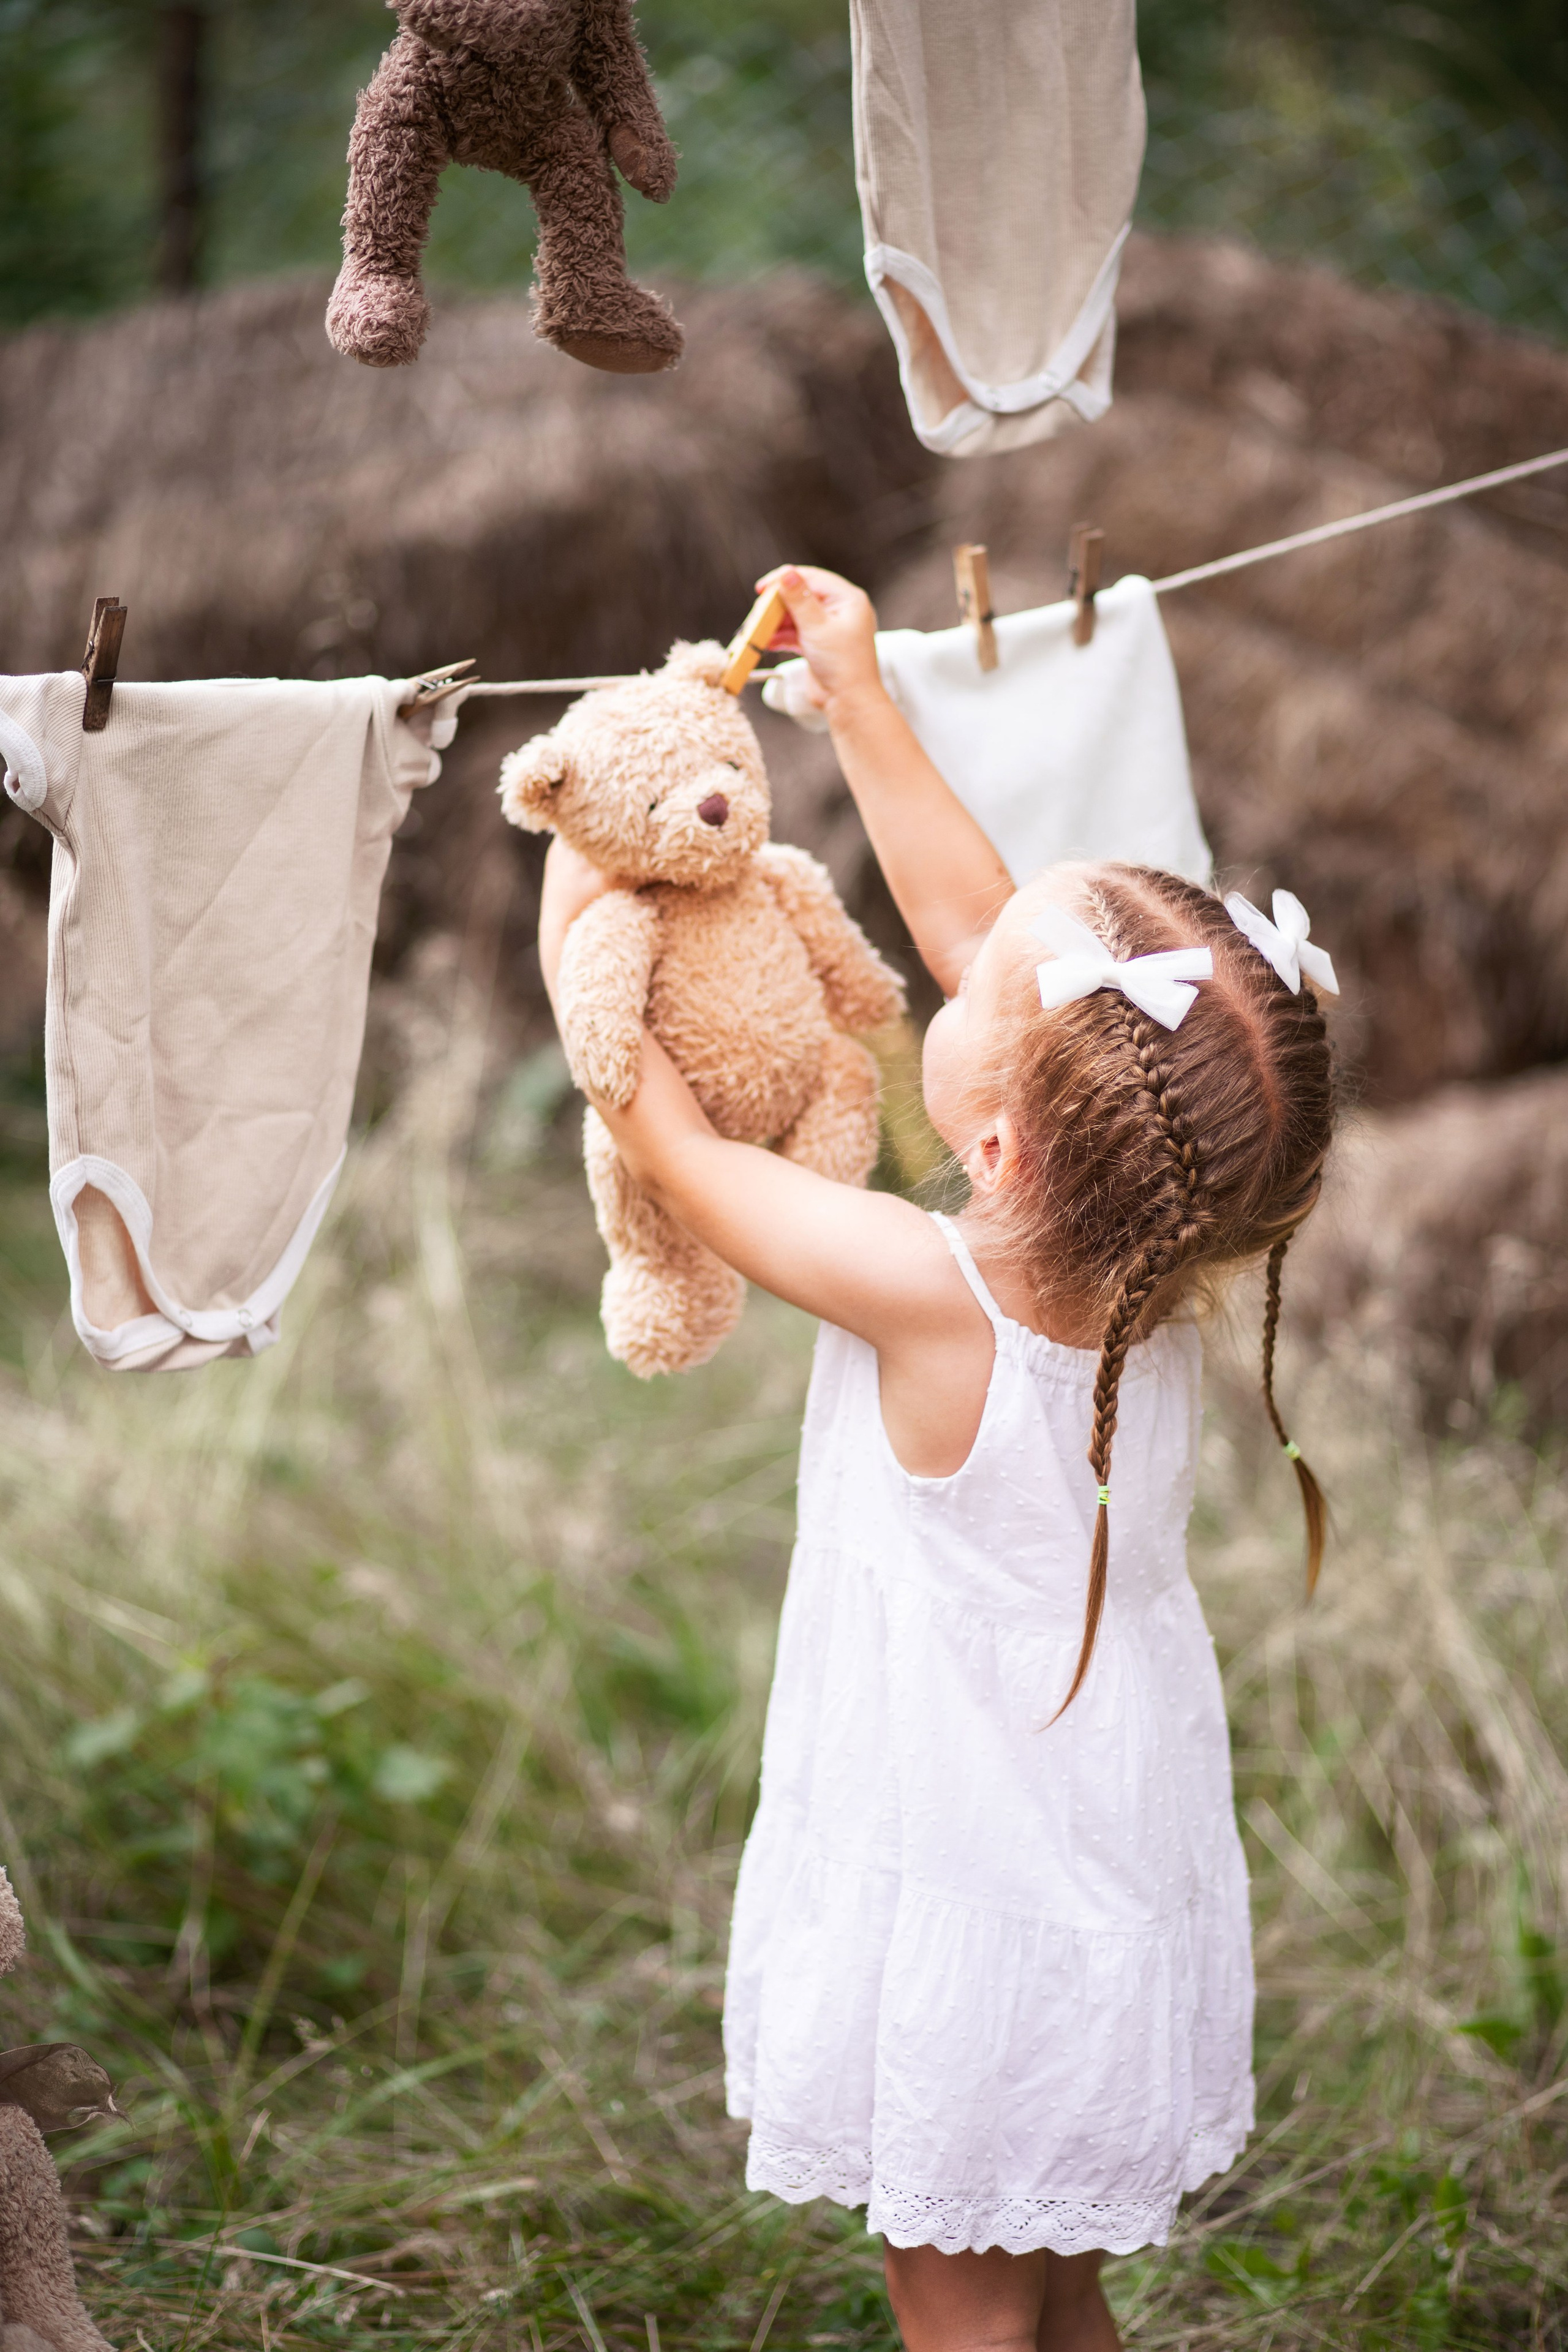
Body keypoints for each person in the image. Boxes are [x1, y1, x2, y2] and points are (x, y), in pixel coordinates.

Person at [537, 566, 1337, 2352]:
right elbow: (1006, 962)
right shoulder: (1158, 1258)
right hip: (1094, 1873)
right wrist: (866, 702)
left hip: (965, 1890)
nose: (961, 970)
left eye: (990, 987)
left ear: (999, 1138)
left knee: (959, 2306)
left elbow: (676, 1155)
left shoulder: (929, 1293)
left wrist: (581, 905)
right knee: (1053, 2285)